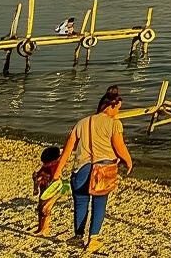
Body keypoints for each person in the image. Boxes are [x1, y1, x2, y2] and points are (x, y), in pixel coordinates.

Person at [56, 85, 133, 253]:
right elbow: (119, 146)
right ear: (110, 106)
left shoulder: (82, 122)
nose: (118, 112)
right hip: (102, 169)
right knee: (99, 203)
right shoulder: (114, 124)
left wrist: (57, 173)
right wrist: (128, 161)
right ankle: (93, 239)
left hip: (80, 169)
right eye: (118, 109)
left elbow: (67, 151)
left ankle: (78, 236)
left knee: (81, 202)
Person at [32, 145, 62, 236]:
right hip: (43, 189)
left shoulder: (55, 167)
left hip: (51, 191)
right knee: (40, 208)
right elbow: (39, 175)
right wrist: (36, 179)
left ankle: (45, 228)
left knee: (45, 209)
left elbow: (56, 181)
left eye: (46, 163)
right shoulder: (46, 166)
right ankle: (40, 227)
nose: (44, 164)